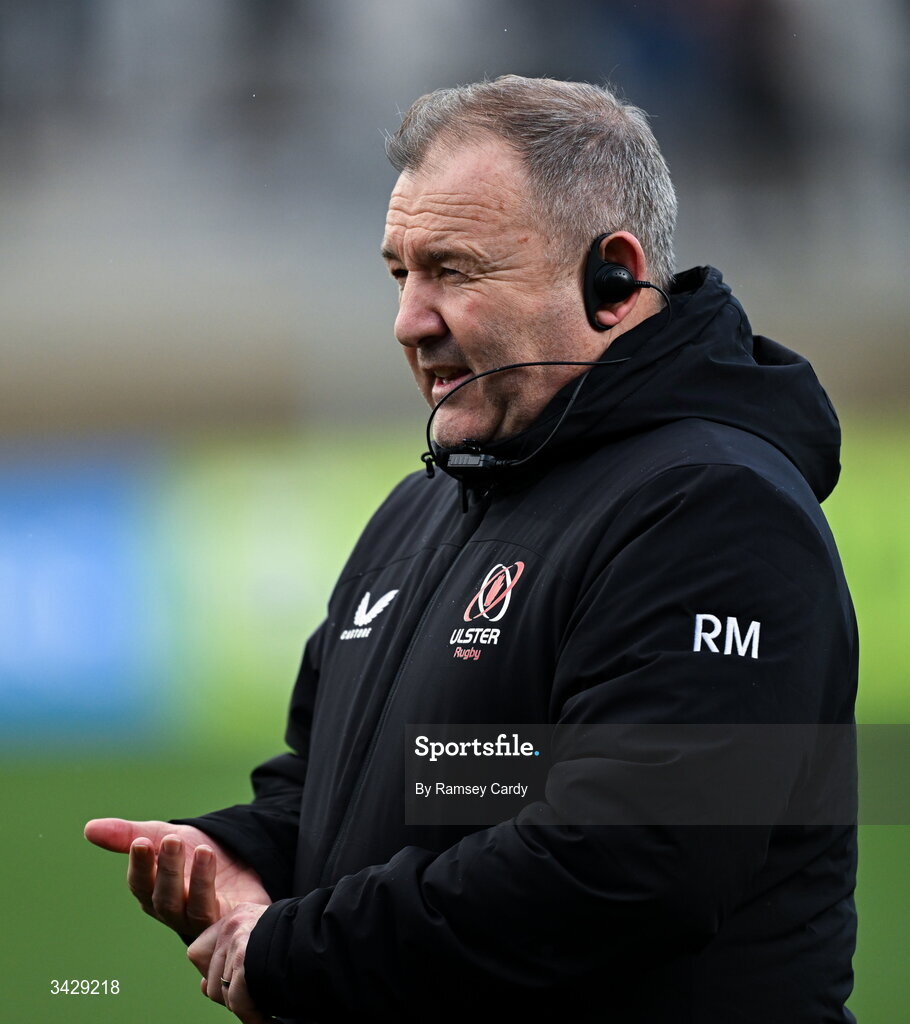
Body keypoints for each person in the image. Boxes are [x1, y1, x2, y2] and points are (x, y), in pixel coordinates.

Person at [85, 76, 858, 1024]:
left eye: (452, 270)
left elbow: (634, 861)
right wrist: (244, 854)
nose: (410, 319)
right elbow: (376, 773)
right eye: (398, 274)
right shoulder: (428, 505)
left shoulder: (714, 509)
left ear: (611, 283)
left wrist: (296, 948)